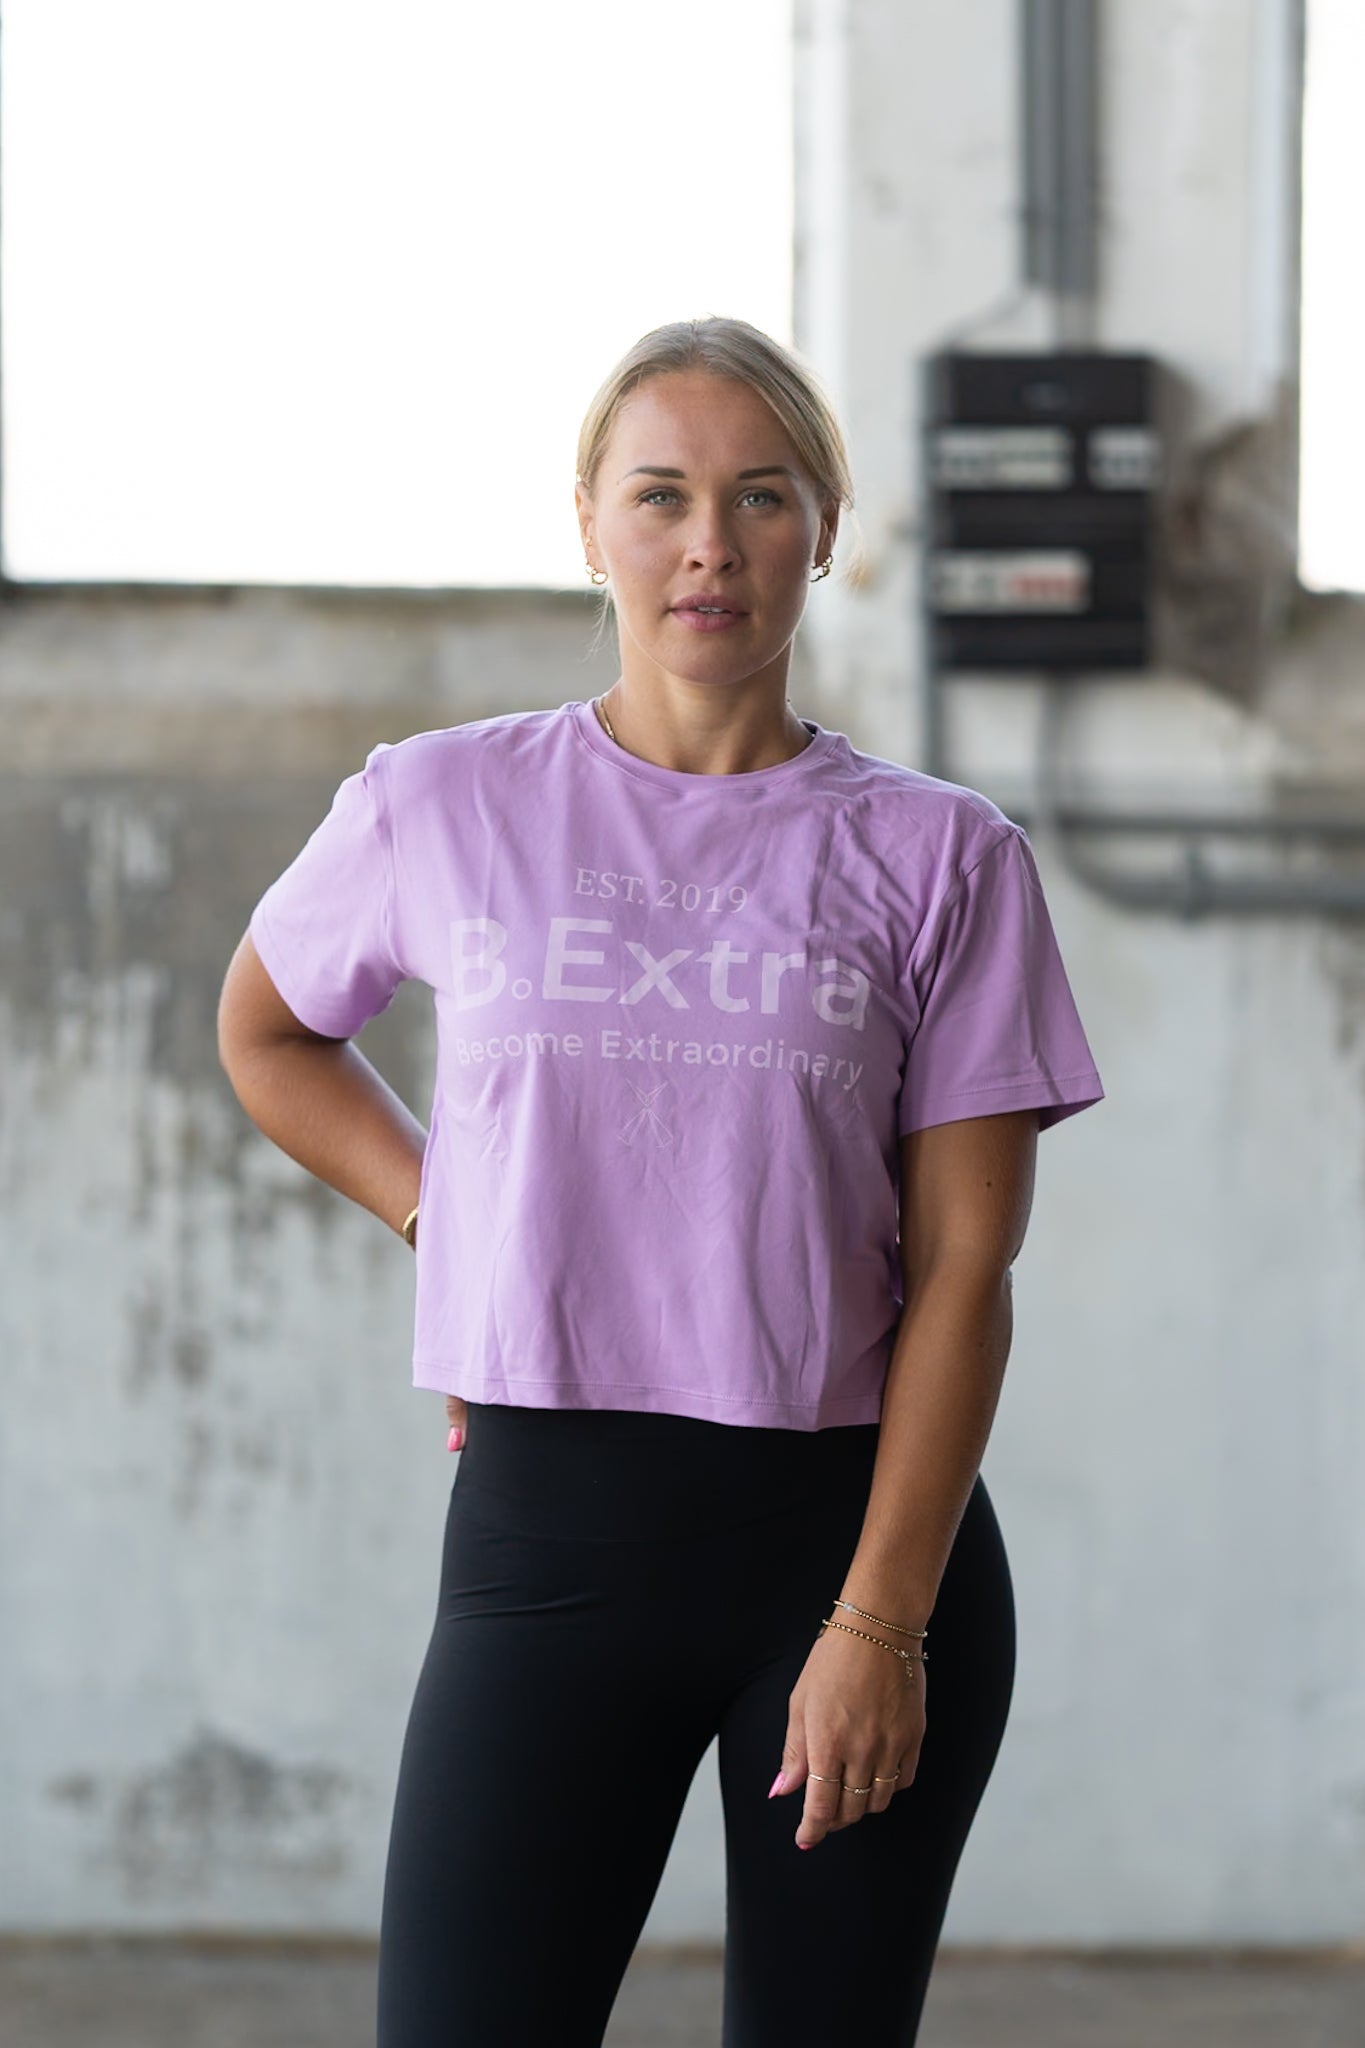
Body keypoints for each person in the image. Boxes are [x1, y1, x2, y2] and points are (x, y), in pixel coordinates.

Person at [217, 315, 1104, 2048]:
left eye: (761, 496)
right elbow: (268, 1034)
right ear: (588, 525)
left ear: (823, 531)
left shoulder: (940, 855)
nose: (710, 543)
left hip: (849, 1547)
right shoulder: (440, 802)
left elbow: (964, 1272)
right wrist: (448, 1220)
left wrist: (881, 1626)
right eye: (661, 496)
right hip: (544, 1551)